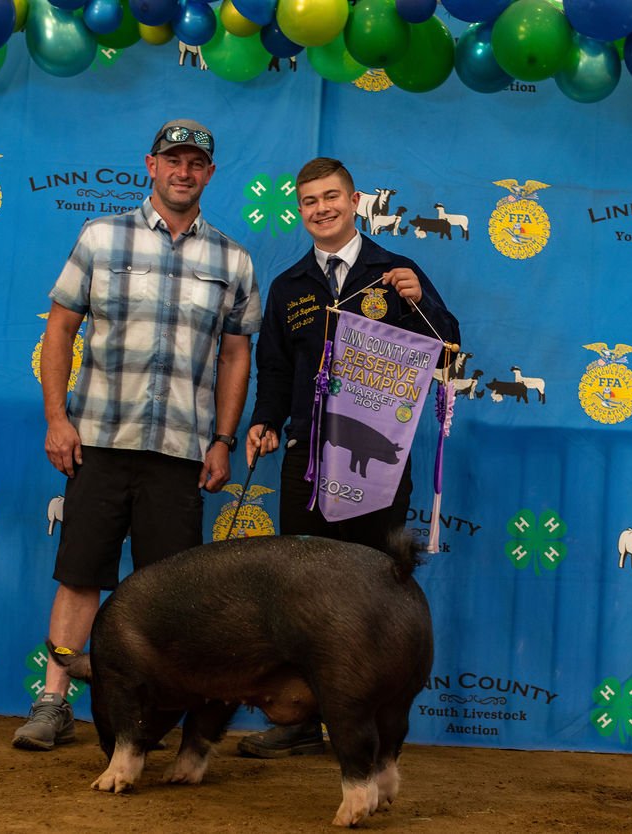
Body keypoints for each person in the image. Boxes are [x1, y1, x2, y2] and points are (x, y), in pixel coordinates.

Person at [12, 119, 261, 751]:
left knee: (172, 595)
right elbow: (61, 329)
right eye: (172, 160)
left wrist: (223, 439)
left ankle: (158, 713)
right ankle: (53, 702)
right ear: (150, 165)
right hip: (97, 438)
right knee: (79, 575)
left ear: (209, 174)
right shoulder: (100, 236)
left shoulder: (233, 259)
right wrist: (56, 419)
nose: (184, 171)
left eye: (196, 163)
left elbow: (236, 355)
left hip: (180, 452)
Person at [237, 157, 460, 758]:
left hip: (379, 466)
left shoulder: (397, 272)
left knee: (376, 592)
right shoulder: (289, 286)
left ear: (355, 200)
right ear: (301, 209)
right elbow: (276, 371)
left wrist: (427, 309)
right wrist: (263, 423)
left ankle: (375, 724)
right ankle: (303, 719)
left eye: (331, 197)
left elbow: (447, 357)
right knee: (300, 594)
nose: (321, 209)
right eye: (309, 201)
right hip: (308, 462)